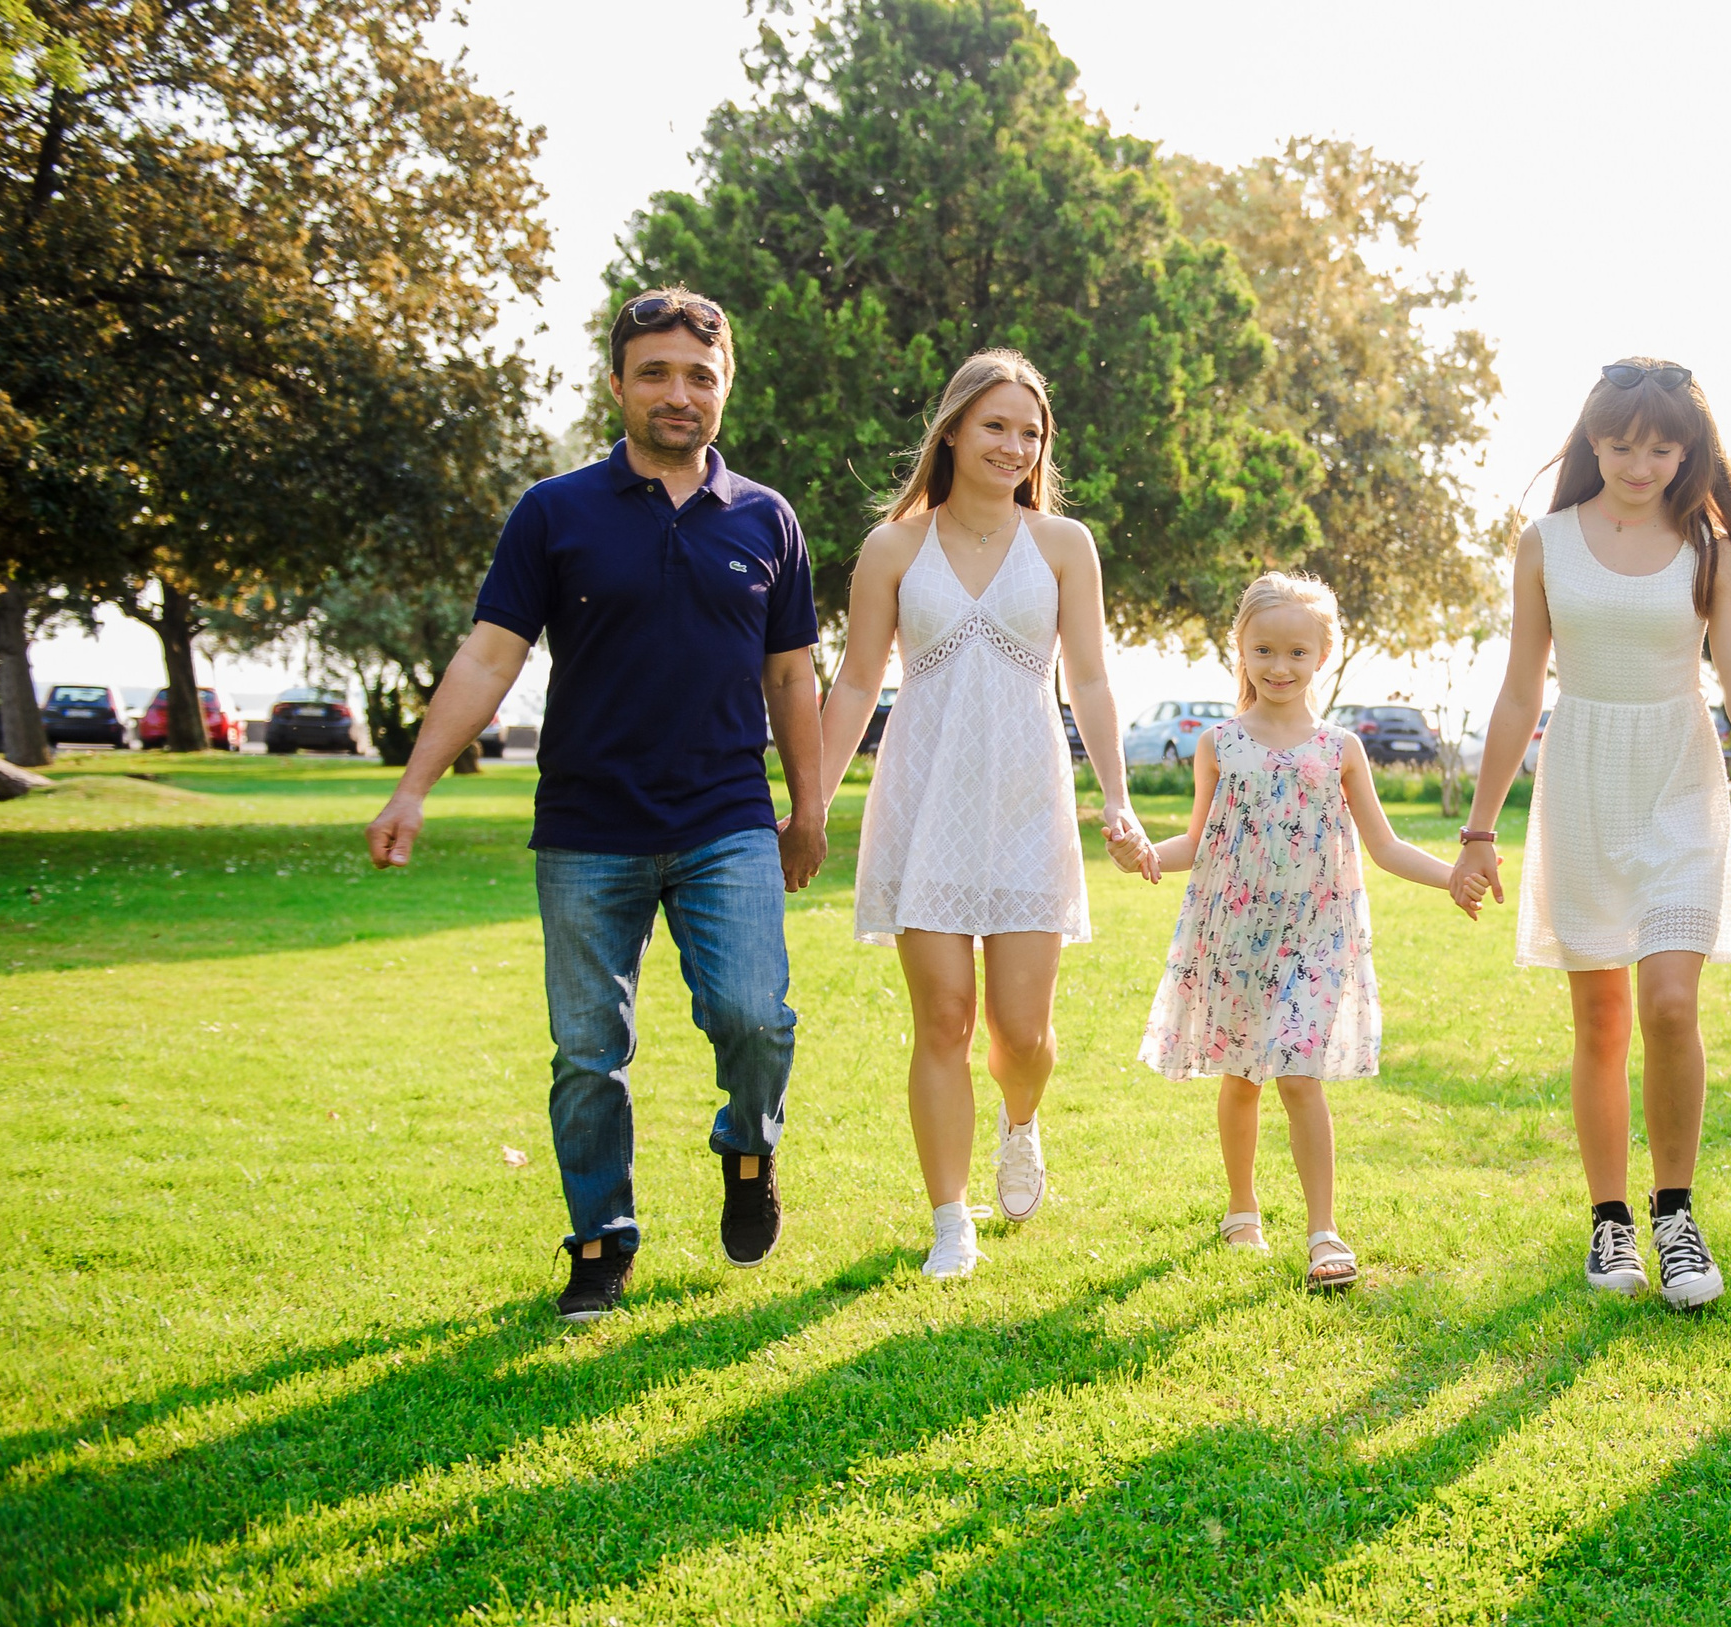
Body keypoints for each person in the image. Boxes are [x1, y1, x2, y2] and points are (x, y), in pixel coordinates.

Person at [362, 287, 826, 1322]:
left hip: (725, 820)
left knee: (754, 1018)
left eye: (699, 376)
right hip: (587, 828)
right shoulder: (554, 511)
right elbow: (490, 656)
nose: (678, 393)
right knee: (587, 1055)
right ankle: (600, 1239)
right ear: (617, 384)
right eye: (655, 373)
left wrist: (809, 810)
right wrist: (412, 787)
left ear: (725, 388)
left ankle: (749, 1153)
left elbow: (792, 676)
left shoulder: (766, 519)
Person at [1452, 358, 1731, 1308]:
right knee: (1602, 1020)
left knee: (1668, 1004)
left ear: (1690, 449)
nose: (1640, 464)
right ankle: (1610, 1223)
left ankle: (1676, 1217)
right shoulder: (1545, 544)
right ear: (1593, 440)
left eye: (1662, 448)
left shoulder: (1713, 551)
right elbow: (1519, 692)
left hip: (1677, 782)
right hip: (1582, 781)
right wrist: (1478, 830)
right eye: (1622, 445)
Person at [814, 349, 1147, 1280]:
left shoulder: (1063, 545)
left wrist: (1117, 798)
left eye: (1030, 432)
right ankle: (949, 1219)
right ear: (954, 430)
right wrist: (811, 806)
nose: (1014, 446)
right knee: (944, 1021)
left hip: (1027, 804)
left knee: (1021, 1034)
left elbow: (1089, 679)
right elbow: (855, 685)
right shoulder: (892, 549)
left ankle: (1021, 1120)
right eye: (996, 425)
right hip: (923, 804)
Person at [1118, 573, 1472, 1289]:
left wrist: (1452, 877)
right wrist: (1145, 854)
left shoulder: (1340, 749)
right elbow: (1198, 842)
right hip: (1236, 935)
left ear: (1323, 655)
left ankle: (1323, 1231)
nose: (1279, 667)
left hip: (1317, 937)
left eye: (1297, 653)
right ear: (1241, 651)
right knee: (1242, 1076)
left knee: (1300, 1077)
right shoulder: (1219, 744)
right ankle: (1242, 1208)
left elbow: (1385, 846)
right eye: (1264, 651)